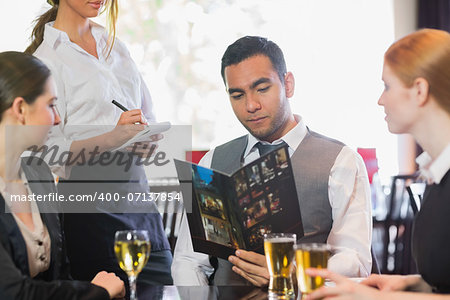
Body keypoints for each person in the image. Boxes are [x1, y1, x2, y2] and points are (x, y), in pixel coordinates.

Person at [171, 36, 373, 286]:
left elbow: (356, 261)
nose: (251, 105)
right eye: (237, 95)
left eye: (262, 89)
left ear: (288, 85)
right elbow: (188, 261)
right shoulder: (212, 160)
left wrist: (290, 270)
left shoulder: (341, 161)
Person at [25, 0, 173, 287]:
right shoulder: (47, 60)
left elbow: (146, 113)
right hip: (92, 217)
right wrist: (113, 137)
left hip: (142, 210)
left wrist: (145, 139)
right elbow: (50, 153)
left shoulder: (117, 46)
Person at [306, 28, 450, 299]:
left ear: (419, 90)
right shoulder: (436, 176)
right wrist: (410, 284)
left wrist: (375, 298)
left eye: (387, 86)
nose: (380, 99)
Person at [0, 51, 125, 299]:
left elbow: (60, 277)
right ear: (21, 108)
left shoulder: (39, 174)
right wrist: (96, 292)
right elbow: (11, 292)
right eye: (50, 105)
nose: (57, 119)